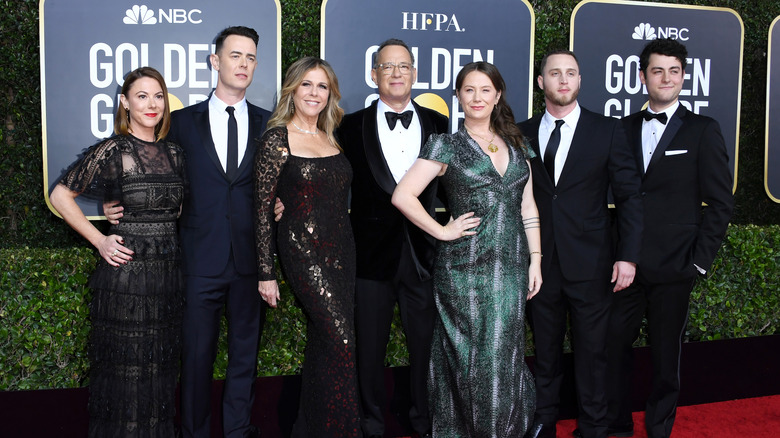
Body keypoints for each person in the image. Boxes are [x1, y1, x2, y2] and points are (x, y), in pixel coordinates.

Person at [107, 26, 271, 438]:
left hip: (251, 262)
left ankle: (238, 430)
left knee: (244, 358)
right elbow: (148, 172)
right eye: (235, 56)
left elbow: (276, 185)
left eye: (251, 57)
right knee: (196, 358)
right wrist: (116, 201)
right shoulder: (178, 123)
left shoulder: (269, 125)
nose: (244, 64)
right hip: (198, 261)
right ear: (215, 61)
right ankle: (194, 433)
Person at [392, 61, 543, 437]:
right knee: (473, 359)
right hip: (465, 269)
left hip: (510, 268)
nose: (477, 97)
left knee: (503, 357)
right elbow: (403, 196)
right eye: (469, 90)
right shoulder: (446, 144)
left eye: (485, 90)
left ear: (497, 96)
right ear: (457, 97)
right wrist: (442, 231)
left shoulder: (517, 142)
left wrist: (536, 259)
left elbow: (527, 206)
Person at [605, 39, 734, 438]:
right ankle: (616, 423)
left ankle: (659, 428)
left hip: (675, 265)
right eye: (657, 70)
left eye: (673, 71)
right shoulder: (621, 128)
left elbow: (720, 202)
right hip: (624, 263)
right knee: (611, 349)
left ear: (683, 76)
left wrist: (697, 261)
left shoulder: (702, 130)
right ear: (642, 77)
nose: (665, 78)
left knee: (665, 357)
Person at [50, 66, 184, 437]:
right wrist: (99, 239)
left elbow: (184, 210)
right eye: (141, 96)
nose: (151, 104)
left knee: (159, 371)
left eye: (158, 95)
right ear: (125, 103)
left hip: (168, 278)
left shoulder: (175, 152)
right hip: (127, 280)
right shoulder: (114, 149)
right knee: (127, 372)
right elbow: (61, 195)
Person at [517, 50, 643, 438]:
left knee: (593, 351)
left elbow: (630, 198)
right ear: (542, 82)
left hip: (592, 262)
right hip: (539, 262)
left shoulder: (608, 130)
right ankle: (544, 419)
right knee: (546, 349)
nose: (563, 80)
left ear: (580, 80)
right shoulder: (520, 133)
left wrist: (628, 257)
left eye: (570, 73)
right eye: (554, 73)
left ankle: (593, 425)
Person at [340, 38, 448, 438]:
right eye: (388, 66)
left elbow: (455, 188)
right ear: (374, 75)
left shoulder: (440, 125)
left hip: (425, 253)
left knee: (426, 348)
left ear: (415, 74)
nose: (397, 73)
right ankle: (370, 423)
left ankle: (424, 421)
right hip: (369, 257)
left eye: (404, 66)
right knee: (368, 349)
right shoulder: (349, 126)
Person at [254, 57, 361, 437]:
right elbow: (262, 209)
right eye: (307, 85)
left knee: (325, 343)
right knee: (341, 339)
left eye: (322, 86)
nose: (314, 93)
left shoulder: (332, 134)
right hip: (303, 251)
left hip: (343, 250)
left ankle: (312, 428)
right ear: (292, 90)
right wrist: (266, 273)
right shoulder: (276, 139)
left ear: (330, 93)